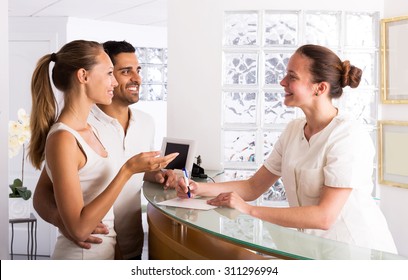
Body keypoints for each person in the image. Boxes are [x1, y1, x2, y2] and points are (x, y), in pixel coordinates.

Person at [177, 44, 398, 254]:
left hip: (354, 251)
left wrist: (249, 210)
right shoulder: (293, 130)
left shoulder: (348, 135)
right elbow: (254, 186)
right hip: (311, 249)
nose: (282, 82)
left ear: (320, 88)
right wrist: (198, 188)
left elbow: (324, 217)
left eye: (292, 77)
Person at [28, 40, 178, 260]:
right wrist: (69, 224)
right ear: (83, 76)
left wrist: (157, 174)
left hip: (115, 248)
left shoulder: (91, 130)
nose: (115, 82)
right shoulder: (65, 137)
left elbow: (99, 182)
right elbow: (71, 220)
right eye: (112, 73)